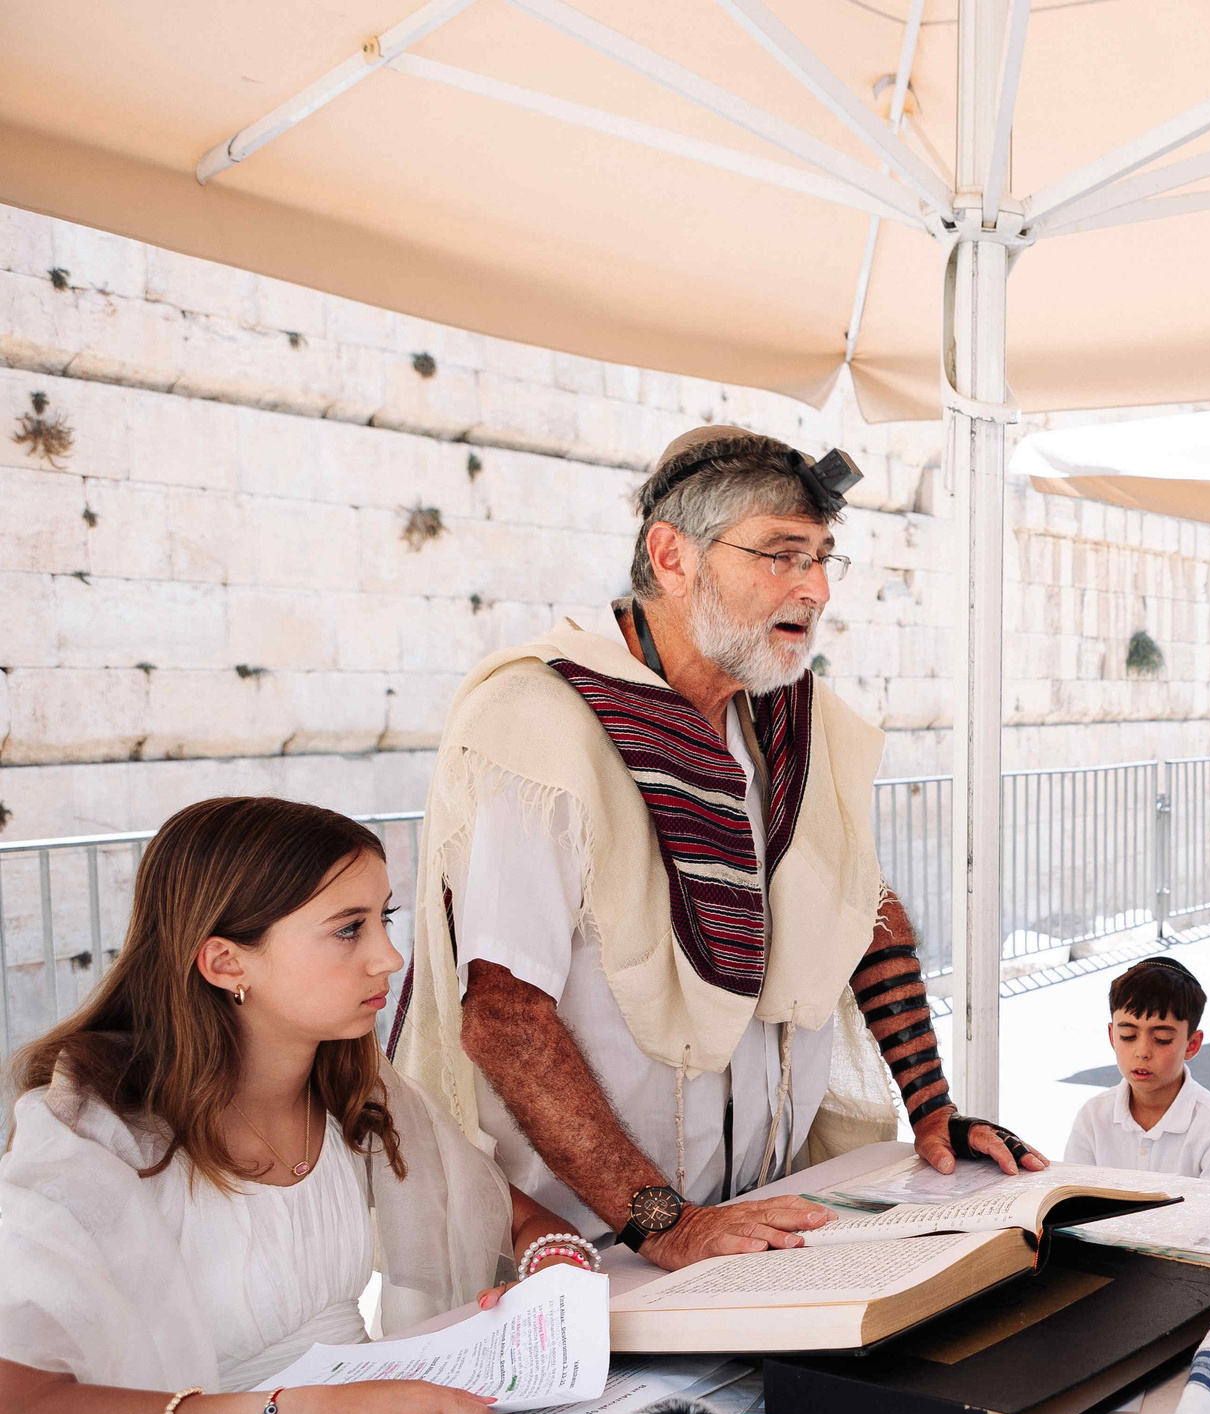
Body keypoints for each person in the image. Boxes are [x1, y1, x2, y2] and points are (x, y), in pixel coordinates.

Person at [395, 427, 1042, 1274]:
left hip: (756, 1224)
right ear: (674, 556)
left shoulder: (786, 720)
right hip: (588, 1253)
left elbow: (864, 910)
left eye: (821, 557)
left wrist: (930, 1103)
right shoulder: (541, 726)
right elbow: (505, 1018)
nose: (813, 587)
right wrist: (662, 1222)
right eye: (781, 554)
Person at [0, 797, 592, 1414]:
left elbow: (507, 1212)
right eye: (348, 930)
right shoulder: (95, 1130)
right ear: (225, 963)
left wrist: (553, 1268)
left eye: (384, 917)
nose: (389, 957)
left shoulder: (355, 1089)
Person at [1063, 957, 1210, 1180]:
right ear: (1112, 1036)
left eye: (1162, 1038)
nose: (1142, 1052)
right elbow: (1071, 1199)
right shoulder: (1093, 1117)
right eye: (1128, 1036)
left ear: (1192, 1044)